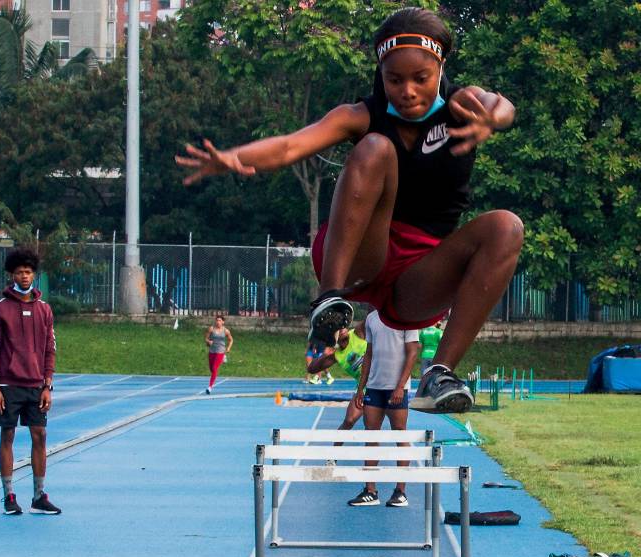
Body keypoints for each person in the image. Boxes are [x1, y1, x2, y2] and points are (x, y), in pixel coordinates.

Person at [175, 7, 522, 414]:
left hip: (420, 276)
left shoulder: (462, 106)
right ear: (381, 74)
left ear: (440, 67)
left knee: (506, 227)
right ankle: (329, 303)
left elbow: (501, 105)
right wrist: (231, 157)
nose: (407, 91)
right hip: (361, 254)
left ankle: (439, 374)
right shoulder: (360, 116)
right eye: (395, 80)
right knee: (377, 147)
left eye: (421, 79)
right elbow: (291, 145)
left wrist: (492, 119)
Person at [0, 247, 60, 515]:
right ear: (12, 275)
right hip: (7, 384)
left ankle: (39, 497)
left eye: (28, 272)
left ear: (34, 274)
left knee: (39, 436)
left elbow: (50, 349)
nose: (24, 276)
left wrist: (47, 384)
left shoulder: (44, 309)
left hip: (36, 385)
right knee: (7, 435)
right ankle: (9, 497)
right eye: (19, 272)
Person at [347, 309, 420, 507]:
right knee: (371, 435)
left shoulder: (406, 316)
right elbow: (368, 354)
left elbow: (412, 352)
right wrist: (360, 388)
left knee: (399, 435)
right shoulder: (371, 318)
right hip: (374, 387)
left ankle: (400, 492)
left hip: (396, 389)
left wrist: (400, 386)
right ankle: (370, 491)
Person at [307, 321, 367, 453]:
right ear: (333, 338)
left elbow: (372, 316)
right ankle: (332, 455)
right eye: (338, 329)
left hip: (381, 382)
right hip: (363, 389)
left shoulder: (358, 333)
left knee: (384, 426)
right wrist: (324, 352)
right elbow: (311, 369)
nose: (343, 329)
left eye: (343, 327)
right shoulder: (337, 356)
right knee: (349, 420)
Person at [204, 315, 233, 394]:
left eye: (220, 320)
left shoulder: (226, 331)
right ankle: (223, 357)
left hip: (220, 351)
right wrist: (208, 341)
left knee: (214, 368)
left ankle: (210, 387)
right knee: (211, 369)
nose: (218, 322)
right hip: (212, 350)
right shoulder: (211, 329)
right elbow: (206, 338)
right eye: (217, 320)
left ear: (223, 322)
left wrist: (228, 348)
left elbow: (231, 340)